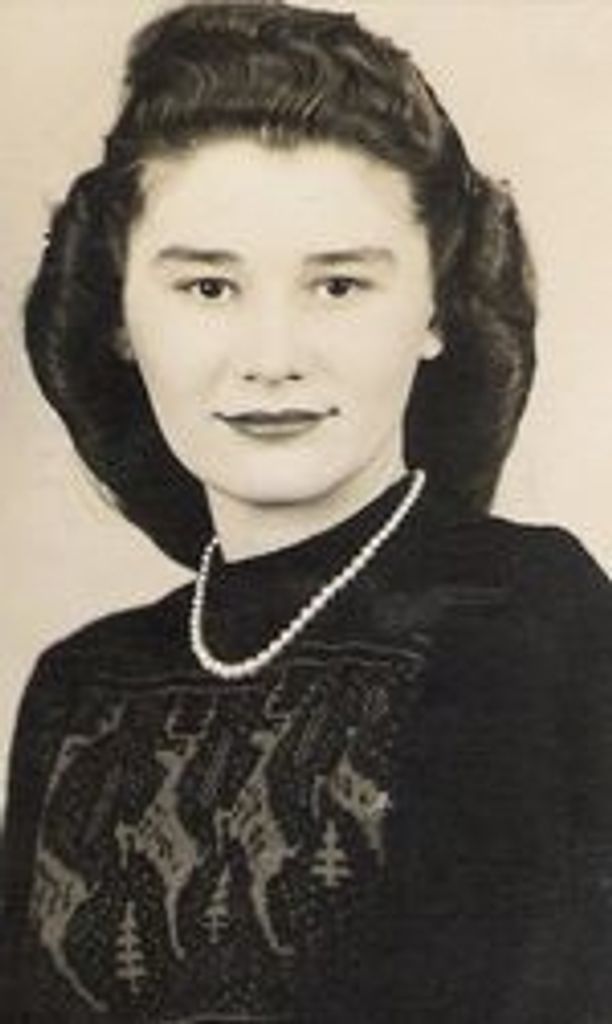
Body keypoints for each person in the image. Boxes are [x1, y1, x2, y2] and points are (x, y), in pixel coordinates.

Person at [2, 2, 612, 1021]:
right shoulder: (81, 687)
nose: (272, 355)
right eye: (208, 287)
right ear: (119, 317)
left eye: (338, 285)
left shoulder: (528, 620)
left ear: (435, 308)